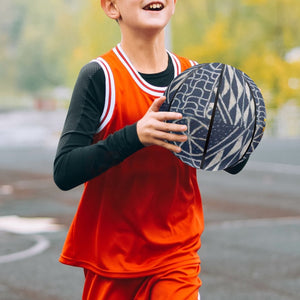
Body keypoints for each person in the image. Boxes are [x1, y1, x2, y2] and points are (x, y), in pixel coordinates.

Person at [54, 0, 245, 299]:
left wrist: (239, 136)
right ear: (111, 7)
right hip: (112, 258)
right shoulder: (100, 76)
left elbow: (228, 161)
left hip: (176, 253)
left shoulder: (197, 78)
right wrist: (136, 136)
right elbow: (65, 170)